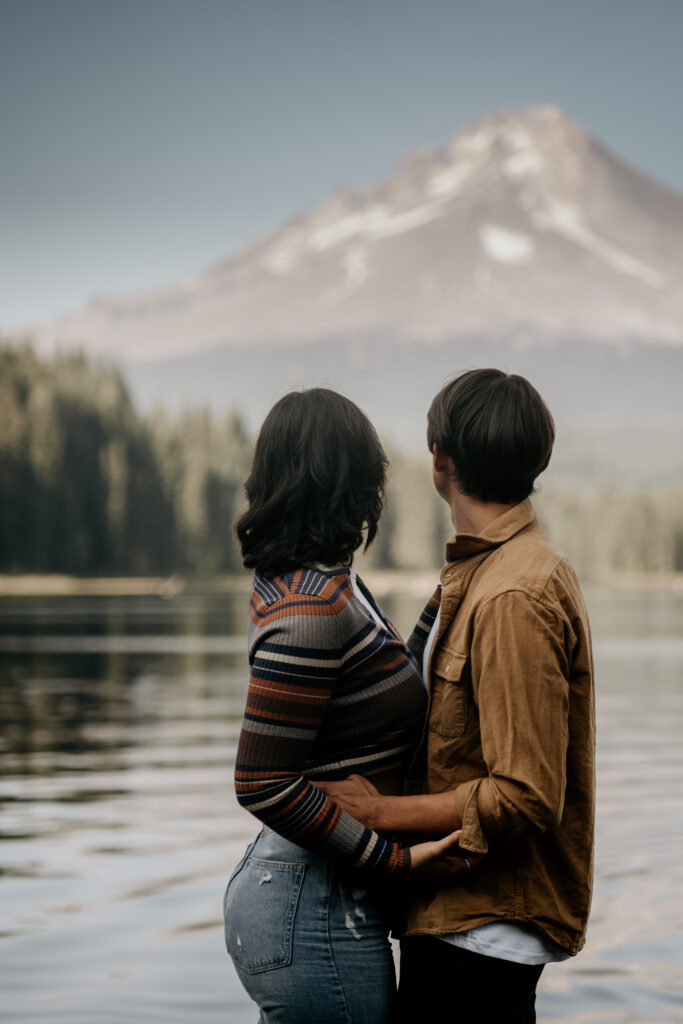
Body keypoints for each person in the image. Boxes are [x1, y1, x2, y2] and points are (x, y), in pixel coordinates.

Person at [320, 369, 595, 1024]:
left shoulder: (512, 593)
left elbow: (526, 792)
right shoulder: (485, 572)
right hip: (461, 917)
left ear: (438, 461)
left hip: (483, 928)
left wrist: (381, 814)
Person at [223, 388, 466, 1024]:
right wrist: (395, 861)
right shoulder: (310, 609)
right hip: (314, 909)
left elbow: (382, 686)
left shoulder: (330, 581)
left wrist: (452, 595)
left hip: (319, 896)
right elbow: (261, 782)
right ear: (348, 478)